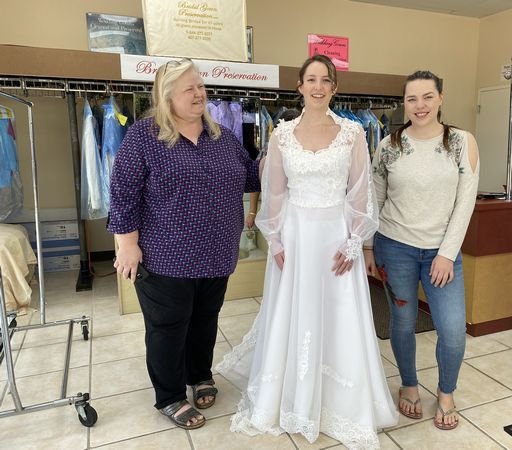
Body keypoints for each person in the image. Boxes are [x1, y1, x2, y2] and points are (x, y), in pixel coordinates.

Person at [216, 54, 398, 448]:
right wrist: (276, 240)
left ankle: (339, 401)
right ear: (299, 87)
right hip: (296, 236)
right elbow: (274, 193)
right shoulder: (281, 133)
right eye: (311, 79)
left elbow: (361, 193)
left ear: (334, 88)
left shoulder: (352, 134)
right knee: (293, 311)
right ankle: (291, 396)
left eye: (325, 80)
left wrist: (353, 242)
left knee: (338, 311)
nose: (318, 87)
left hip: (336, 237)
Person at [108, 58, 260, 430]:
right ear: (166, 95)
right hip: (165, 256)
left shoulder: (222, 136)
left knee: (205, 320)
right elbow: (123, 193)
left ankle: (200, 374)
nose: (199, 93)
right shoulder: (144, 136)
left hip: (217, 253)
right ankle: (170, 395)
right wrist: (126, 245)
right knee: (168, 327)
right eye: (189, 87)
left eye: (201, 85)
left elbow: (253, 174)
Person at [364, 70, 479, 430]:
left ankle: (446, 393)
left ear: (441, 98)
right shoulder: (389, 144)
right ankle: (409, 386)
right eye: (412, 98)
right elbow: (374, 197)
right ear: (404, 103)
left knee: (452, 329)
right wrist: (367, 245)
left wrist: (446, 253)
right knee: (401, 322)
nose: (420, 105)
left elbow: (465, 202)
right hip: (393, 247)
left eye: (427, 97)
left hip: (441, 253)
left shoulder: (461, 142)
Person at [244, 108, 300, 229]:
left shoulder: (308, 150)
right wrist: (252, 211)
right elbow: (257, 178)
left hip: (300, 210)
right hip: (274, 208)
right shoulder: (270, 148)